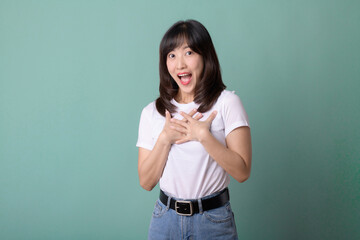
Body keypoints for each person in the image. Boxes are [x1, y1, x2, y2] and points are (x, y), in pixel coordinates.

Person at [136, 19, 252, 240]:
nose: (180, 64)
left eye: (188, 53)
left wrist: (203, 136)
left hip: (213, 220)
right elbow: (146, 182)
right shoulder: (152, 112)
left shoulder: (227, 103)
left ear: (205, 56)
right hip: (165, 220)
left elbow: (243, 172)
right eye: (172, 55)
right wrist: (165, 138)